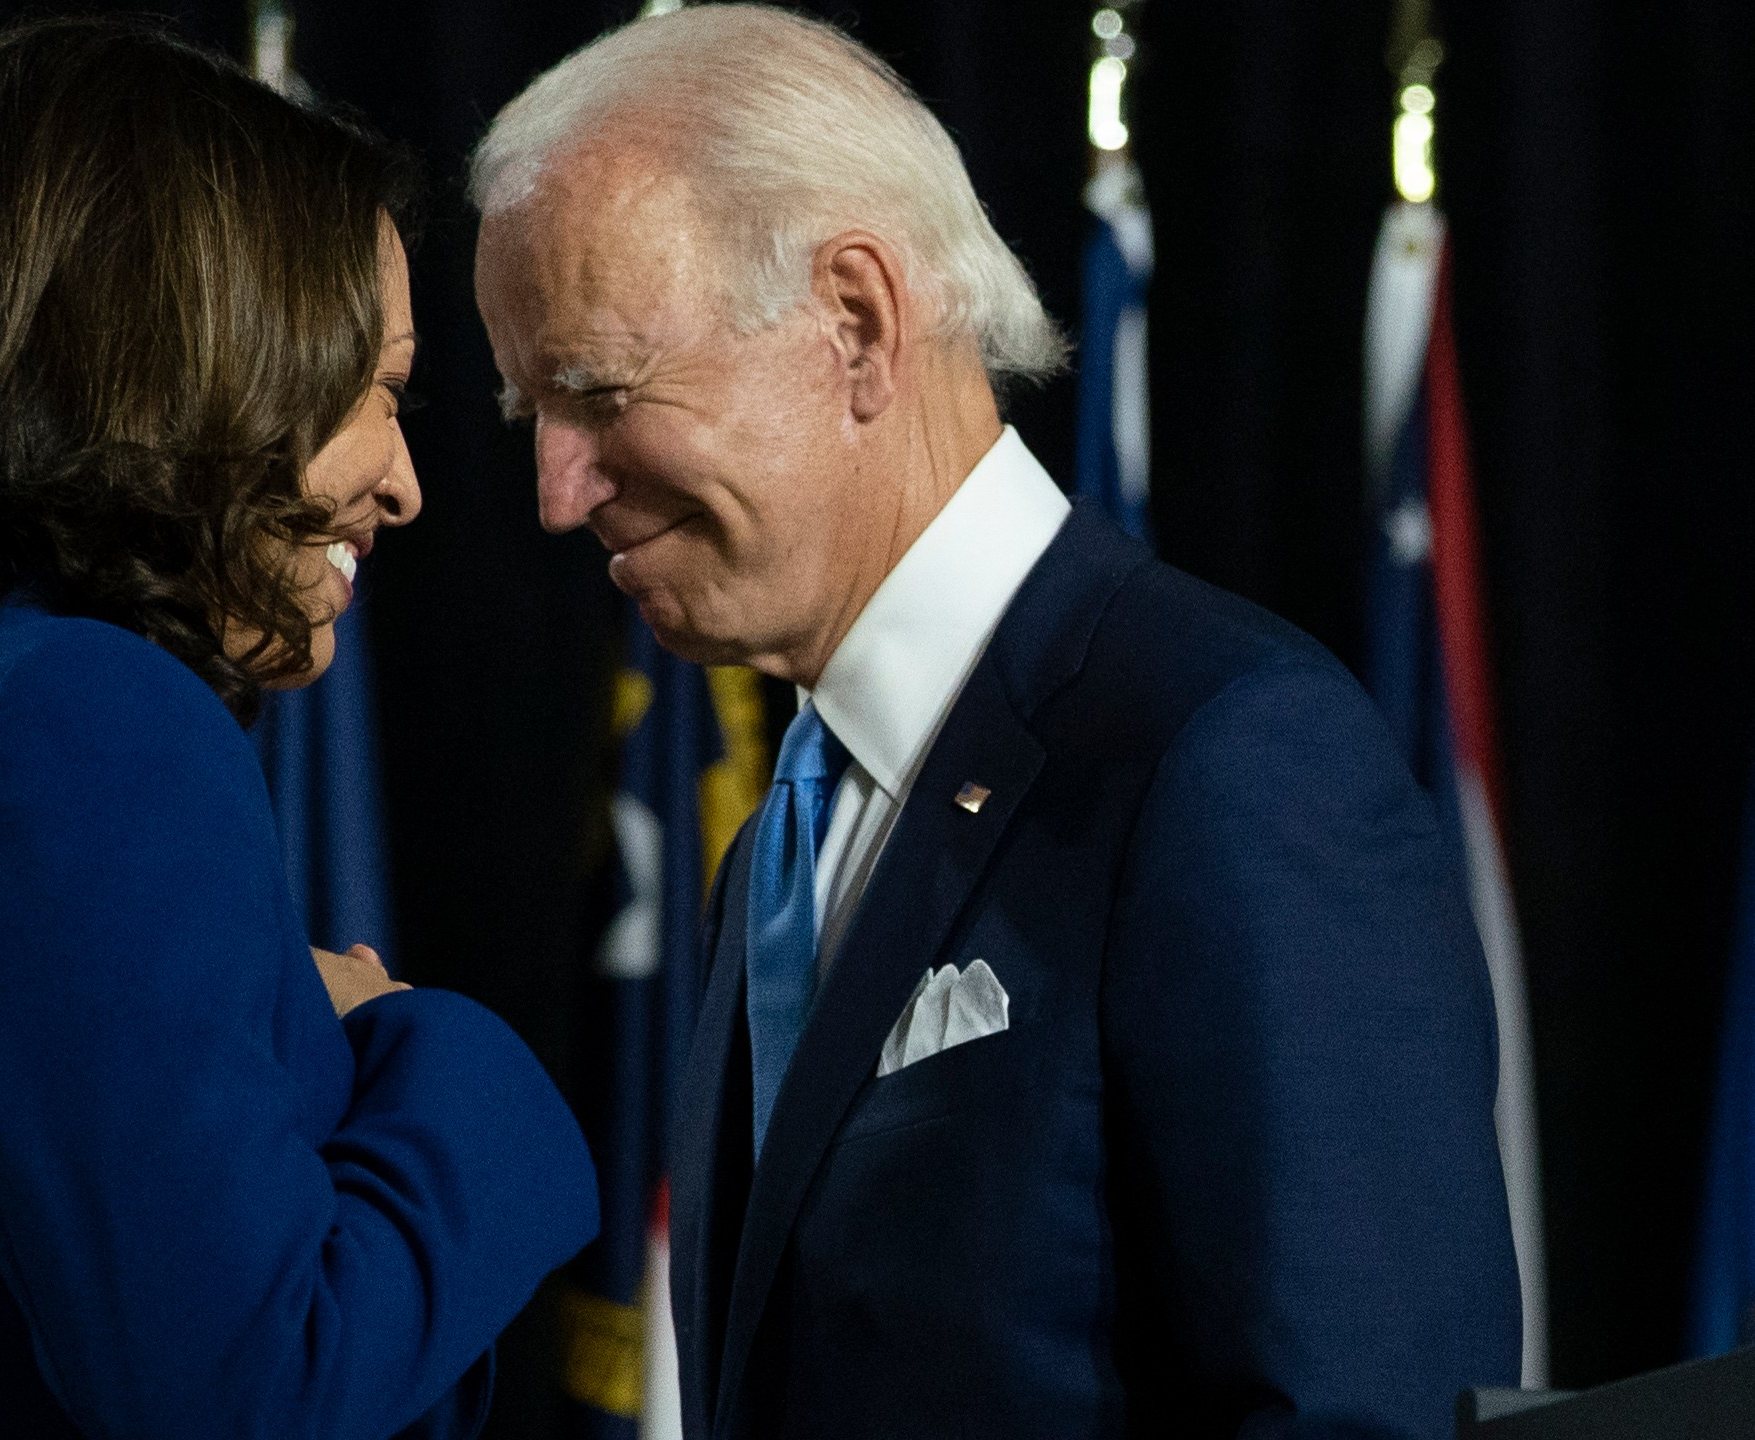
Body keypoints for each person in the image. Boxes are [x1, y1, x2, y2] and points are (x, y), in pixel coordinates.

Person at [471, 7, 1519, 1437]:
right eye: (531, 408)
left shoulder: (1221, 759)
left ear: (854, 322)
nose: (557, 487)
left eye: (594, 390)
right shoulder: (777, 847)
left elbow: (1364, 1413)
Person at [0, 19, 595, 1437]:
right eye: (374, 390)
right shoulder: (77, 725)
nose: (405, 482)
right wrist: (424, 1049)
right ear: (190, 361)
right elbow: (257, 1398)